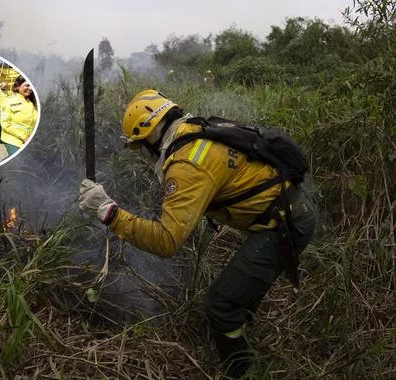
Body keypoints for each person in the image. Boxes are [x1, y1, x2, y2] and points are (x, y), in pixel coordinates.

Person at [78, 90, 316, 378]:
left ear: (151, 136)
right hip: (284, 210)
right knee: (237, 295)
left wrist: (109, 213)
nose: (140, 155)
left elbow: (167, 241)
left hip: (285, 224)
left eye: (139, 147)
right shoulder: (193, 129)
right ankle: (241, 332)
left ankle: (241, 371)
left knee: (221, 303)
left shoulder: (187, 164)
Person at [0, 75, 38, 156]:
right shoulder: (8, 101)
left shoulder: (33, 103)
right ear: (17, 86)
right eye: (27, 85)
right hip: (13, 140)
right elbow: (5, 124)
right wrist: (24, 137)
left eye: (31, 85)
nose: (30, 88)